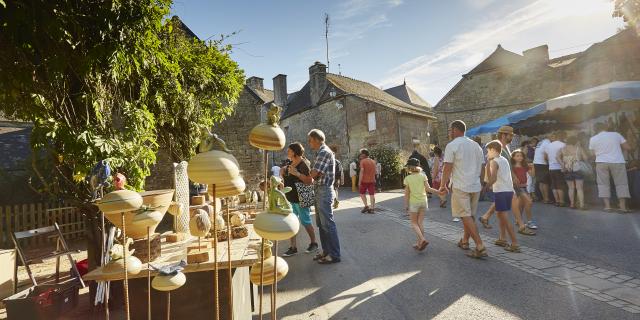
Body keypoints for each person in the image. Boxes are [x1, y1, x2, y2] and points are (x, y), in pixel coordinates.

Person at [290, 129, 341, 264]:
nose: (309, 143)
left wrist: (298, 174)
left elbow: (313, 174)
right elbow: (314, 174)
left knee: (327, 224)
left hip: (324, 191)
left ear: (317, 140)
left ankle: (334, 255)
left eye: (310, 140)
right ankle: (326, 251)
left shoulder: (324, 152)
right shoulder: (321, 152)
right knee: (321, 225)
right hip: (320, 191)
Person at [439, 120, 487, 259]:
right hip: (475, 185)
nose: (448, 133)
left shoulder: (452, 145)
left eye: (449, 130)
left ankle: (480, 246)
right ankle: (465, 241)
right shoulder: (476, 146)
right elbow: (483, 166)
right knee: (469, 215)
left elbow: (447, 167)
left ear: (455, 130)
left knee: (465, 215)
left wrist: (442, 185)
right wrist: (483, 183)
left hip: (461, 185)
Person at [479, 126, 534, 236]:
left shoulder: (505, 147)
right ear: (504, 135)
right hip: (502, 182)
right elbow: (490, 163)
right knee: (510, 204)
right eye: (511, 135)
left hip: (505, 182)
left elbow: (508, 164)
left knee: (503, 207)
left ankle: (487, 219)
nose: (512, 137)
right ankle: (520, 227)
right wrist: (488, 183)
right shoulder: (496, 145)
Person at [281, 143, 318, 257]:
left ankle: (314, 243)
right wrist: (282, 173)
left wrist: (297, 173)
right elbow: (286, 177)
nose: (287, 151)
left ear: (295, 151)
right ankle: (293, 247)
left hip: (300, 198)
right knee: (291, 223)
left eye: (290, 150)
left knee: (305, 221)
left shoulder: (303, 164)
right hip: (291, 198)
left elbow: (309, 181)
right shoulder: (289, 162)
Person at [485, 141, 521, 253]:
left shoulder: (494, 162)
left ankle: (514, 243)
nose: (487, 153)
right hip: (509, 191)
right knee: (500, 215)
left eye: (488, 151)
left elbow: (493, 178)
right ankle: (502, 238)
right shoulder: (504, 159)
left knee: (504, 217)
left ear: (493, 150)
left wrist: (486, 186)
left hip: (501, 191)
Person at [589, 123, 632, 212]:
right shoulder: (616, 135)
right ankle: (622, 207)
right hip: (617, 161)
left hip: (601, 162)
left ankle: (607, 206)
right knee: (621, 183)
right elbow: (627, 147)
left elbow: (592, 154)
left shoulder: (593, 139)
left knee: (603, 184)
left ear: (595, 129)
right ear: (606, 127)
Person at [403, 158, 442, 251]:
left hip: (414, 203)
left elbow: (407, 193)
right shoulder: (423, 176)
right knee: (420, 222)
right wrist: (439, 192)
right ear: (418, 166)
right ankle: (419, 243)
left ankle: (422, 239)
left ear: (409, 167)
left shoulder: (407, 178)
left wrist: (406, 205)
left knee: (413, 223)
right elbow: (428, 189)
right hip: (423, 202)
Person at [558, 136, 589, 210]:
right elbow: (586, 158)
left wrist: (562, 164)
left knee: (570, 188)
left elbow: (557, 157)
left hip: (567, 169)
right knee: (579, 188)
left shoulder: (563, 149)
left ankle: (572, 204)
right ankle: (581, 205)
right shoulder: (579, 148)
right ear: (575, 141)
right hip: (577, 168)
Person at [511, 150, 536, 229]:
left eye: (521, 156)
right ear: (513, 157)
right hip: (517, 187)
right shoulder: (512, 167)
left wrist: (533, 167)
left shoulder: (525, 166)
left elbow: (532, 175)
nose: (519, 157)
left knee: (521, 205)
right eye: (517, 156)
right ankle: (529, 222)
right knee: (529, 202)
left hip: (524, 187)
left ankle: (518, 220)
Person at [544, 132, 567, 207]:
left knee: (554, 185)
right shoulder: (562, 144)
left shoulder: (548, 145)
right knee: (560, 185)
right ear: (560, 137)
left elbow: (546, 157)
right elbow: (565, 155)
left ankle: (557, 201)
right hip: (560, 167)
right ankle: (561, 201)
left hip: (551, 167)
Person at [533, 136, 552, 204]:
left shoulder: (541, 142)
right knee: (545, 182)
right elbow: (546, 155)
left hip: (536, 163)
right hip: (542, 164)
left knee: (541, 182)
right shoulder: (547, 142)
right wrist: (548, 163)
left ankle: (544, 198)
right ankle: (546, 199)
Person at [358, 149, 377, 214]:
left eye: (360, 154)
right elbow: (376, 172)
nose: (360, 155)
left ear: (363, 154)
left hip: (364, 181)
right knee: (372, 194)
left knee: (362, 193)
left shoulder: (362, 161)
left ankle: (366, 206)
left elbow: (362, 171)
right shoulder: (373, 161)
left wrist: (359, 181)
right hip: (372, 181)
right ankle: (372, 209)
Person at [329, 145, 344, 209]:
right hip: (337, 178)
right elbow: (341, 171)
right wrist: (341, 180)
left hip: (331, 178)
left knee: (332, 190)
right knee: (335, 189)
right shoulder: (338, 162)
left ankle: (335, 200)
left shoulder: (330, 161)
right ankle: (336, 200)